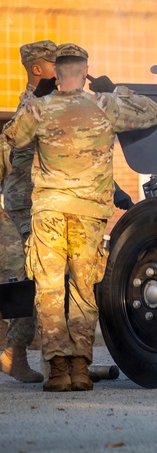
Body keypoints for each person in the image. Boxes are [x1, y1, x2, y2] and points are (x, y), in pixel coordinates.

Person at [2, 44, 157, 392]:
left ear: (57, 74)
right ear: (86, 70)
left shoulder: (41, 109)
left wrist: (34, 101)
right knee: (83, 292)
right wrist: (115, 90)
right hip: (90, 216)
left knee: (49, 291)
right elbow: (153, 113)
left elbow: (12, 137)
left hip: (50, 214)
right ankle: (79, 368)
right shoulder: (106, 106)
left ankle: (58, 370)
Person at [0, 39, 58, 384]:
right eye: (53, 64)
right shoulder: (32, 105)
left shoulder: (46, 103)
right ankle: (14, 353)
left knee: (42, 279)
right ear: (37, 69)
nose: (59, 70)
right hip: (26, 205)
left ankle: (53, 360)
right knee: (32, 280)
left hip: (44, 201)